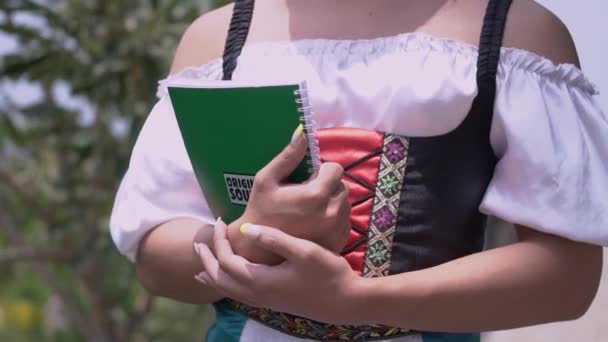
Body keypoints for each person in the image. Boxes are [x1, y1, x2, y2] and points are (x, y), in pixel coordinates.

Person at [110, 0, 608, 341]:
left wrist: (355, 299)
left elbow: (566, 278)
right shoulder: (217, 41)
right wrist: (247, 239)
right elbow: (155, 261)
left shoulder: (514, 31)